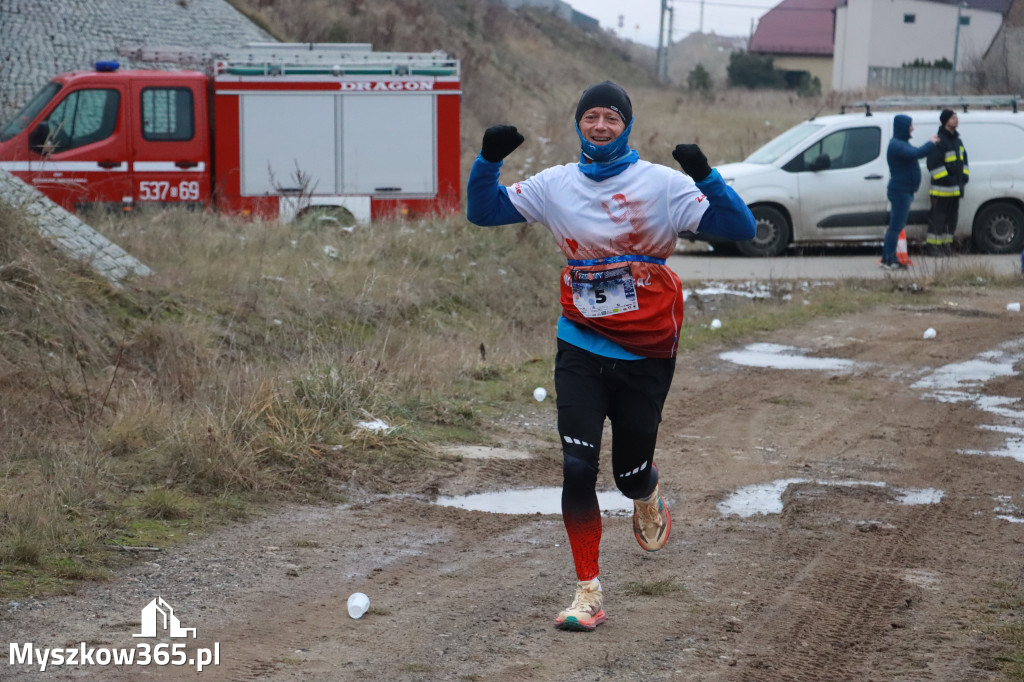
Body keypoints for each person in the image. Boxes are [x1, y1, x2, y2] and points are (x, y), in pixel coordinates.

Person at [466, 81, 756, 632]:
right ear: (579, 125)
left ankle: (646, 492)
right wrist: (488, 160)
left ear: (627, 126)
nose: (600, 126)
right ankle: (587, 593)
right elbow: (484, 214)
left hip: (646, 350)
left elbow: (739, 228)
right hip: (579, 341)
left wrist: (706, 176)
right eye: (591, 117)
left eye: (611, 118)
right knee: (577, 467)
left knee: (626, 473)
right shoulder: (556, 185)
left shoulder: (662, 185)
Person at [882, 114, 938, 270]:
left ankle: (887, 257)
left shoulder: (903, 143)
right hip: (900, 192)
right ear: (903, 127)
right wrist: (931, 143)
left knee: (895, 226)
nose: (912, 128)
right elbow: (917, 153)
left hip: (904, 191)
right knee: (896, 226)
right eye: (910, 125)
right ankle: (890, 259)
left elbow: (915, 151)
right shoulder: (896, 145)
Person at [926, 109, 969, 256]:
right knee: (938, 220)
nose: (956, 120)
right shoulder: (939, 141)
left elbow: (964, 161)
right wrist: (948, 180)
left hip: (955, 190)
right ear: (945, 121)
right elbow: (933, 164)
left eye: (956, 117)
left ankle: (946, 247)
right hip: (941, 190)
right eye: (952, 118)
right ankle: (933, 248)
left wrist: (964, 177)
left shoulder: (957, 141)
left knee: (951, 221)